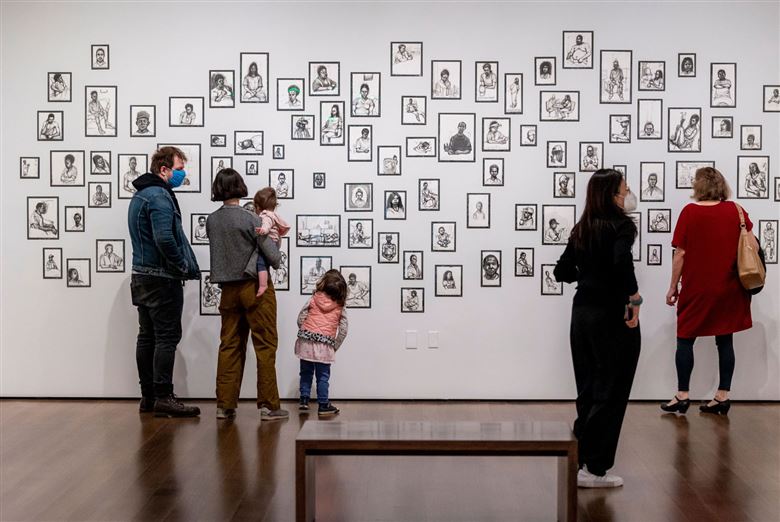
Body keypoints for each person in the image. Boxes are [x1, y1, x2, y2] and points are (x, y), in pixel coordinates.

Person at [554, 168, 641, 488]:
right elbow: (621, 262)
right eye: (624, 190)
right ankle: (595, 468)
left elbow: (562, 271)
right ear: (612, 195)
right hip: (611, 314)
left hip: (582, 313)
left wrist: (589, 276)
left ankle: (581, 459)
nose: (627, 195)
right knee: (612, 389)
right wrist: (633, 297)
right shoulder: (622, 225)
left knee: (588, 387)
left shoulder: (583, 227)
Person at [661, 167, 758, 416]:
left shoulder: (689, 212)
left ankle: (682, 395)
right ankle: (722, 396)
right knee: (725, 339)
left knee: (685, 339)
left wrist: (673, 286)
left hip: (697, 288)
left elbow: (680, 254)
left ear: (698, 186)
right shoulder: (736, 210)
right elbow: (753, 245)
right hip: (730, 287)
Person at [206, 168, 286, 421]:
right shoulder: (251, 218)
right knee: (265, 344)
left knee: (229, 344)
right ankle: (269, 406)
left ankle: (224, 405)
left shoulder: (212, 220)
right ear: (240, 187)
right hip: (255, 288)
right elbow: (273, 256)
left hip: (228, 290)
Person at [127, 146, 201, 417]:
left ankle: (148, 397)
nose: (183, 174)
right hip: (161, 278)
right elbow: (164, 238)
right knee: (166, 337)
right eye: (179, 169)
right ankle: (163, 397)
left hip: (142, 275)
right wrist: (181, 265)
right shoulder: (159, 196)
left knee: (147, 336)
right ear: (164, 169)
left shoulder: (141, 195)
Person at [295, 270, 349, 416]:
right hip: (325, 345)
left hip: (306, 342)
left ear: (323, 283)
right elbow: (343, 330)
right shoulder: (340, 306)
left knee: (305, 372)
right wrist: (334, 346)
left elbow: (301, 318)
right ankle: (323, 405)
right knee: (323, 376)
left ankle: (304, 400)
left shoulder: (313, 298)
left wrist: (306, 332)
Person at [252, 187, 290, 298]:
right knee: (265, 262)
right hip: (275, 242)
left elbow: (266, 225)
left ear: (258, 207)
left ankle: (263, 285)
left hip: (270, 241)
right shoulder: (273, 215)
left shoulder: (265, 215)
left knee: (261, 263)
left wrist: (263, 231)